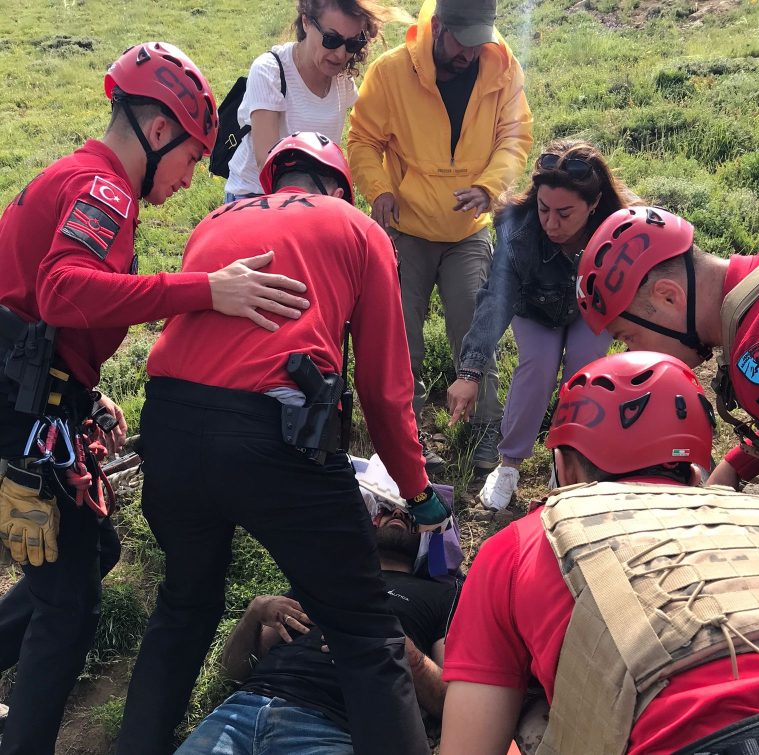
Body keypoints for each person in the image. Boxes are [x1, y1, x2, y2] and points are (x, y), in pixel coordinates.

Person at [0, 42, 311, 755]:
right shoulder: (104, 190)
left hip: (33, 394)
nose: (191, 176)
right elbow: (62, 289)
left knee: (93, 552)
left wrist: (83, 393)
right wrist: (206, 290)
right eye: (192, 156)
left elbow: (36, 313)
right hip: (20, 410)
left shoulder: (76, 177)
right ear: (160, 129)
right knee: (69, 610)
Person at [115, 132, 451, 755]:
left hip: (170, 428)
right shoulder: (357, 228)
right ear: (337, 188)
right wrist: (418, 491)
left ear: (274, 179)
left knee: (183, 608)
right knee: (367, 637)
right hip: (276, 436)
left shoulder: (215, 221)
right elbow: (384, 391)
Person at [441, 351, 759, 755]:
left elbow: (468, 747)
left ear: (564, 467)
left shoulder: (518, 544)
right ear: (694, 471)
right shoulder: (757, 515)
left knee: (532, 719)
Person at [347, 0, 533, 472]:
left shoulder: (503, 68)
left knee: (474, 326)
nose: (469, 54)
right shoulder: (391, 72)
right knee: (400, 335)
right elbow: (363, 139)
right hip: (404, 229)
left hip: (467, 230)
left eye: (478, 43)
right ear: (439, 27)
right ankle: (405, 433)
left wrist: (489, 187)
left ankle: (486, 429)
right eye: (462, 43)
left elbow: (514, 138)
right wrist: (379, 190)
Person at [175, 497, 459, 755]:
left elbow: (452, 702)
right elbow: (232, 672)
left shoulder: (442, 595)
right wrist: (253, 613)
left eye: (409, 514)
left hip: (332, 728)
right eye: (385, 509)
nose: (397, 513)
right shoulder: (325, 577)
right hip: (240, 711)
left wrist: (403, 651)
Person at [446, 140, 637, 511]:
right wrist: (469, 372)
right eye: (544, 208)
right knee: (538, 366)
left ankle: (567, 460)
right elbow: (496, 297)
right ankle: (508, 465)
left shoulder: (619, 229)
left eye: (565, 213)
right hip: (534, 307)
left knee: (585, 372)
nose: (551, 223)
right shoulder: (518, 231)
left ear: (594, 204)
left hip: (590, 309)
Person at [575, 205, 759, 490]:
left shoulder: (755, 355)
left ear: (668, 297)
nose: (634, 355)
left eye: (628, 337)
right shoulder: (757, 284)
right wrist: (734, 466)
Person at [224, 0, 385, 202]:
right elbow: (267, 163)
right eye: (331, 39)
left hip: (311, 198)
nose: (341, 54)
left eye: (353, 43)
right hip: (257, 197)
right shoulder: (270, 71)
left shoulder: (342, 80)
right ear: (306, 22)